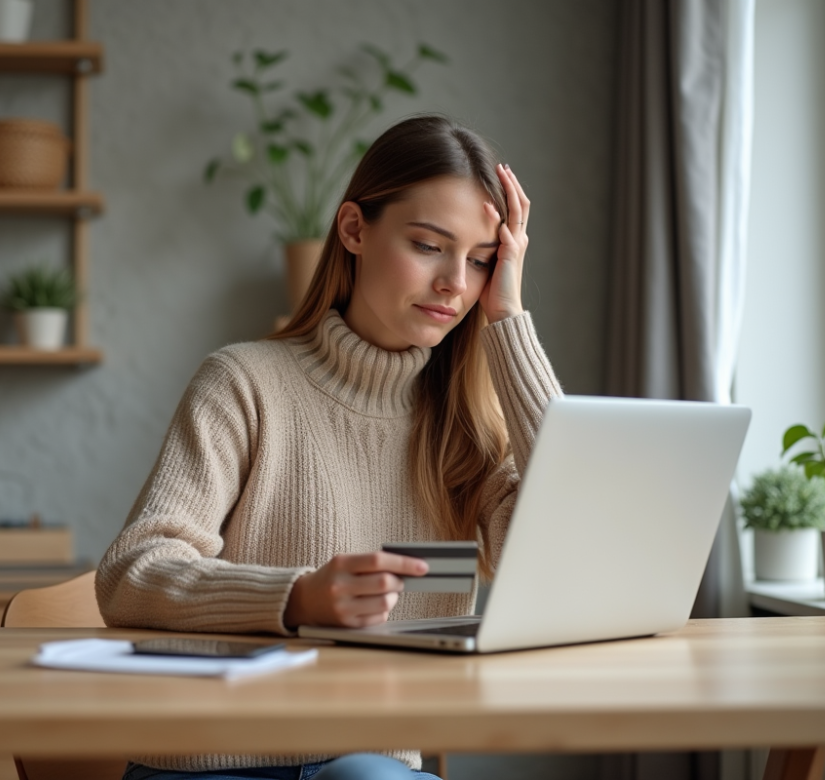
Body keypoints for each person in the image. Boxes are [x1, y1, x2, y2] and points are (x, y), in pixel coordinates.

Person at [96, 114, 564, 780]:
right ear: (353, 230)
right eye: (430, 245)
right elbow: (131, 573)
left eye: (483, 260)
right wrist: (297, 599)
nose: (456, 283)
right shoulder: (243, 383)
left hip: (369, 765)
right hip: (208, 766)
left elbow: (559, 553)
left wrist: (508, 319)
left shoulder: (466, 429)